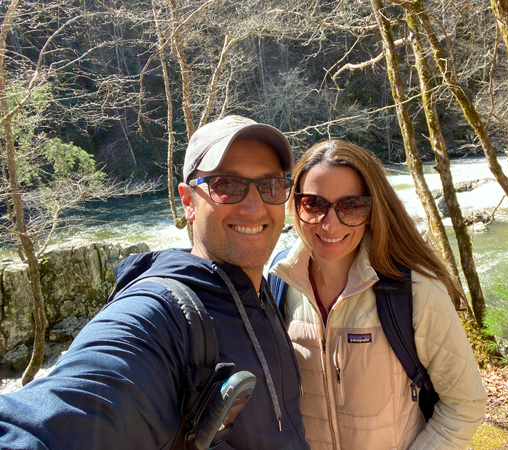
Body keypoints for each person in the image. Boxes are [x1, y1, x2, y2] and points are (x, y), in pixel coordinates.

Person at [0, 115, 309, 450]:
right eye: (226, 186)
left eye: (271, 187)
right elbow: (45, 426)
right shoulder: (161, 314)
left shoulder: (264, 294)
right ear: (189, 201)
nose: (254, 207)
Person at [268, 139, 487, 450]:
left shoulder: (414, 291)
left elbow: (465, 404)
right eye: (314, 204)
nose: (330, 224)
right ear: (296, 205)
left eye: (351, 205)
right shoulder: (277, 281)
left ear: (371, 210)